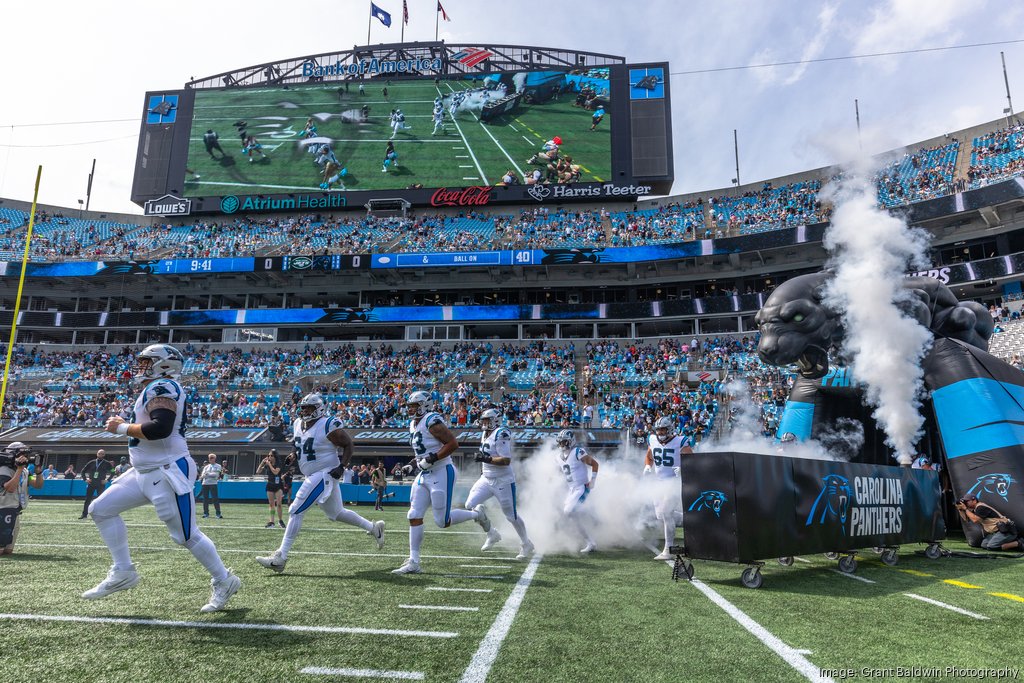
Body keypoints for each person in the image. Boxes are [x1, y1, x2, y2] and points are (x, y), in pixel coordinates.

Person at [84, 344, 241, 612]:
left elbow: (161, 428)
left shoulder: (163, 387)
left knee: (186, 536)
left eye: (147, 362)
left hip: (167, 471)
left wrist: (122, 427)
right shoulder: (154, 389)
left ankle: (224, 580)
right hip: (143, 471)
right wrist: (128, 426)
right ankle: (123, 571)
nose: (141, 367)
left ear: (163, 365)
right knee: (101, 509)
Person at [256, 394, 384, 574]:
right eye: (303, 408)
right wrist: (293, 454)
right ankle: (373, 528)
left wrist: (342, 466)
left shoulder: (327, 424)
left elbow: (348, 444)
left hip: (325, 473)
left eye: (308, 408)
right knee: (337, 513)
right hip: (312, 473)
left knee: (295, 509)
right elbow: (298, 443)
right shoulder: (298, 424)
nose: (304, 411)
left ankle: (281, 557)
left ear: (318, 409)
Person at [392, 391, 493, 575]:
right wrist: (411, 465)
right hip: (424, 473)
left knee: (442, 521)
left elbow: (453, 444)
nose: (410, 409)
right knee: (413, 514)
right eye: (410, 406)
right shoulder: (413, 424)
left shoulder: (432, 420)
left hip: (441, 471)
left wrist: (432, 458)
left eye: (414, 405)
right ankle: (414, 561)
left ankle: (476, 514)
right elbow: (423, 452)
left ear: (425, 405)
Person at [464, 408, 534, 560]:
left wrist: (485, 459)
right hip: (486, 478)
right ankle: (492, 533)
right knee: (470, 505)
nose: (483, 422)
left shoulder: (501, 433)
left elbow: (505, 460)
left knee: (511, 516)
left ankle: (526, 543)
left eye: (487, 420)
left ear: (495, 420)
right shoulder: (485, 433)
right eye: (483, 420)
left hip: (503, 480)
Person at [644, 416, 692, 560]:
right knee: (661, 515)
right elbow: (649, 456)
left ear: (670, 429)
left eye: (663, 429)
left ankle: (668, 549)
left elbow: (693, 460)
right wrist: (647, 466)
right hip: (659, 482)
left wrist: (684, 468)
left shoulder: (680, 441)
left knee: (665, 512)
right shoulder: (652, 439)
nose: (660, 432)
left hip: (675, 481)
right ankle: (692, 520)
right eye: (658, 429)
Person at [555, 429, 599, 554]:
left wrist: (593, 480)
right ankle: (595, 519)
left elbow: (595, 464)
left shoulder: (578, 452)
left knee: (569, 511)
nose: (562, 444)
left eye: (564, 442)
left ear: (570, 441)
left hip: (581, 488)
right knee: (568, 512)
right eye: (560, 442)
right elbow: (563, 472)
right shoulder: (558, 457)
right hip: (571, 489)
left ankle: (590, 542)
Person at [1, 442, 44, 555]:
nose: (25, 457)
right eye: (23, 454)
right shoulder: (3, 470)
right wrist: (19, 470)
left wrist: (38, 472)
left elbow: (37, 485)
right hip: (3, 511)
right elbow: (10, 488)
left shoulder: (25, 471)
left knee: (8, 551)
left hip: (14, 510)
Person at [957, 494, 1023, 551]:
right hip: (997, 532)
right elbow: (966, 519)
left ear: (974, 500)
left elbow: (975, 520)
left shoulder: (981, 507)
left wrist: (965, 509)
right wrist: (960, 509)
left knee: (991, 546)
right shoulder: (975, 509)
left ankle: (1018, 543)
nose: (966, 503)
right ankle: (1009, 543)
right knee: (984, 545)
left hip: (1006, 531)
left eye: (967, 501)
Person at [80, 449, 114, 519]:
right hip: (91, 483)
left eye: (102, 454)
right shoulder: (91, 462)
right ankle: (84, 515)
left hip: (100, 484)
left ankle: (101, 515)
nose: (100, 455)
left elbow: (113, 472)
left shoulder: (107, 463)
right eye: (99, 453)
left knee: (101, 500)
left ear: (104, 455)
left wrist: (107, 480)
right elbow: (83, 471)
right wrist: (85, 479)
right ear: (97, 454)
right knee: (88, 500)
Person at [256, 450, 285, 528]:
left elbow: (275, 472)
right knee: (271, 504)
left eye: (271, 456)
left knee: (279, 504)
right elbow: (258, 471)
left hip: (278, 485)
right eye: (268, 456)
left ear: (275, 456)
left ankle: (280, 520)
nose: (269, 457)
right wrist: (262, 463)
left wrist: (269, 464)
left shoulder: (279, 464)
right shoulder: (267, 464)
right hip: (270, 485)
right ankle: (271, 522)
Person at [198, 453, 224, 519]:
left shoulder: (218, 466)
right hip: (205, 484)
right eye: (210, 458)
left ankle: (218, 514)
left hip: (213, 484)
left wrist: (207, 474)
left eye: (212, 457)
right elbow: (202, 475)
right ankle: (206, 513)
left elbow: (216, 475)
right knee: (205, 499)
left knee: (215, 499)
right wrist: (208, 475)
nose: (211, 459)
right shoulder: (206, 467)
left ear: (215, 458)